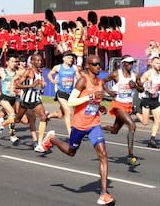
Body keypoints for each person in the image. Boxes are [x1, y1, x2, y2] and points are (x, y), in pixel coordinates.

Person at [39, 55, 114, 205]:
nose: (99, 67)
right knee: (70, 152)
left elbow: (94, 100)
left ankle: (104, 193)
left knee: (103, 155)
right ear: (88, 66)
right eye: (95, 64)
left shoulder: (99, 81)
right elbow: (72, 102)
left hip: (94, 124)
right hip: (79, 125)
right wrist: (90, 97)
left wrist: (99, 106)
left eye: (99, 64)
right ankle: (52, 139)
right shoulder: (82, 81)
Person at [0, 54, 48, 152]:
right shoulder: (28, 72)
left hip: (36, 100)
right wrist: (31, 86)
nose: (39, 62)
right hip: (25, 100)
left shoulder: (40, 72)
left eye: (40, 60)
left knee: (43, 117)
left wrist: (41, 86)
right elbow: (17, 85)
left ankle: (39, 144)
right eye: (37, 60)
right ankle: (4, 123)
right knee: (17, 119)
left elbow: (39, 86)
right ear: (32, 62)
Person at [102, 55, 143, 168]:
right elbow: (102, 81)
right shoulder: (116, 74)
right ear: (123, 64)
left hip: (128, 106)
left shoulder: (135, 75)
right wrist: (109, 92)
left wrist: (135, 86)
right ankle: (130, 156)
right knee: (132, 126)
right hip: (118, 105)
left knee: (114, 130)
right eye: (128, 63)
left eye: (132, 63)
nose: (131, 65)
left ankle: (98, 127)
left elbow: (142, 89)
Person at [136, 56, 160, 149]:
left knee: (158, 120)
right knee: (145, 122)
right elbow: (139, 85)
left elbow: (158, 87)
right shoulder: (148, 74)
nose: (158, 65)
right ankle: (135, 113)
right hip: (146, 99)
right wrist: (146, 87)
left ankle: (152, 139)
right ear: (151, 63)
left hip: (155, 99)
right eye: (156, 63)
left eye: (159, 63)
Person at [0, 54, 20, 145]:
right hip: (4, 97)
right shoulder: (2, 71)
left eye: (16, 62)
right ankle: (12, 135)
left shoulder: (17, 72)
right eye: (12, 61)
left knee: (2, 114)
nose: (14, 63)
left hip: (13, 98)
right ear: (7, 62)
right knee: (12, 114)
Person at [47, 51, 80, 136]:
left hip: (71, 93)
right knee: (68, 112)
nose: (71, 60)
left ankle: (48, 115)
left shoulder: (74, 68)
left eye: (72, 58)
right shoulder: (58, 67)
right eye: (69, 58)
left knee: (61, 114)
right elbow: (49, 74)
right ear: (64, 59)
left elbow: (79, 77)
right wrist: (53, 81)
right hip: (61, 92)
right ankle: (70, 133)